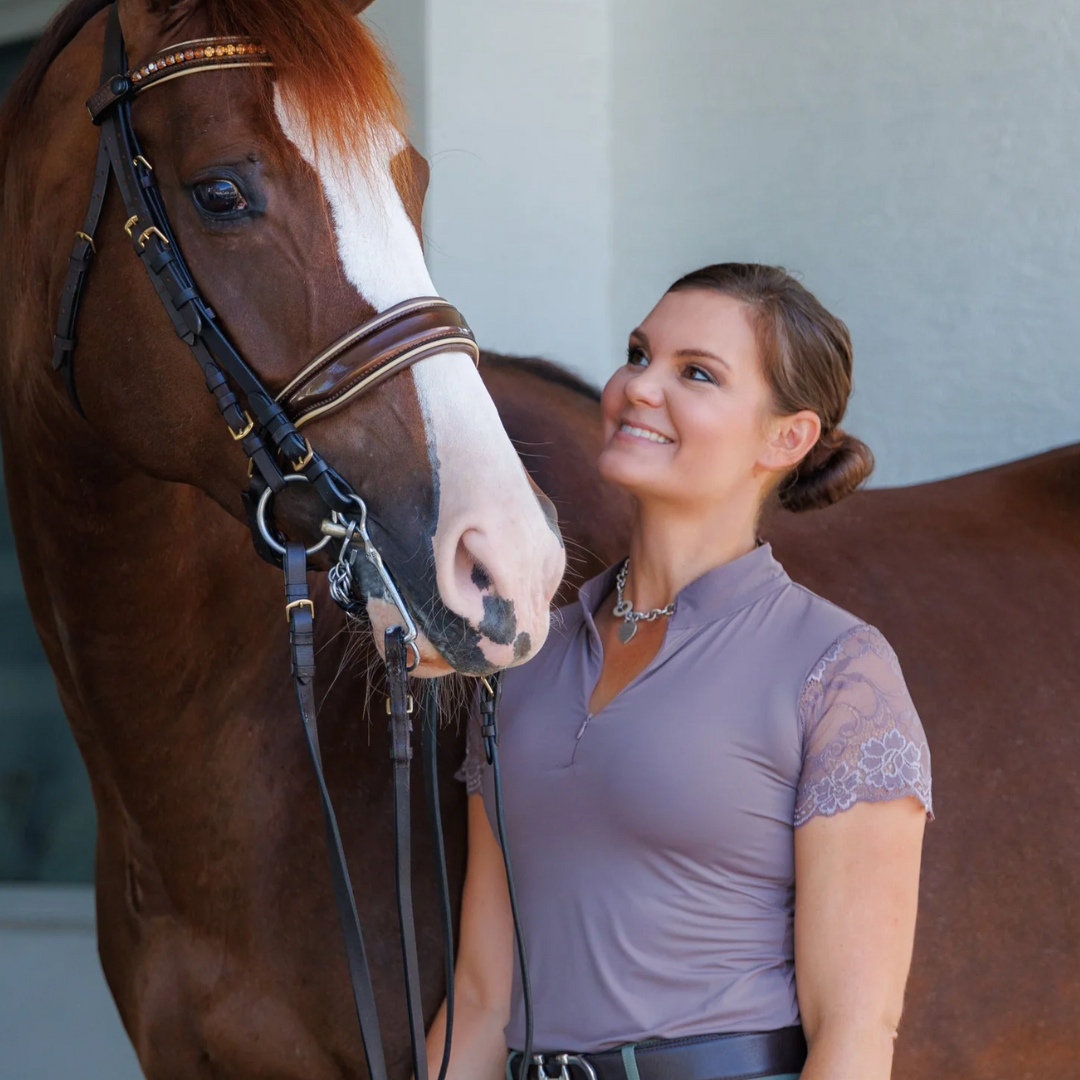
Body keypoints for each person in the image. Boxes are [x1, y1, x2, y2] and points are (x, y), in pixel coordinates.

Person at [427, 263, 932, 1080]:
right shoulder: (524, 655)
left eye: (695, 373)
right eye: (638, 354)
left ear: (787, 437)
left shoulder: (838, 672)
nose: (638, 387)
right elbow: (483, 995)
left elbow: (856, 1028)